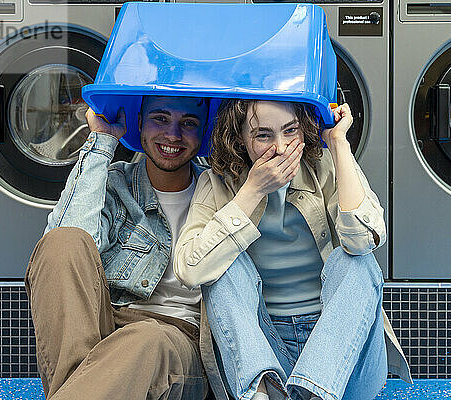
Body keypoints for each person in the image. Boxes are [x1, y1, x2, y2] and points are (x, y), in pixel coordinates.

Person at [174, 100, 411, 400]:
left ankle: (317, 391)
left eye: (290, 131)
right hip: (266, 353)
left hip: (343, 351)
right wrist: (253, 190)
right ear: (239, 138)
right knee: (222, 266)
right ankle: (259, 395)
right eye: (263, 136)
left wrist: (338, 144)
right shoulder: (218, 182)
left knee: (356, 263)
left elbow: (364, 239)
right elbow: (191, 270)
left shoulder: (326, 165)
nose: (281, 147)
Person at [24, 96, 219, 400]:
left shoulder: (225, 190)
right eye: (161, 119)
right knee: (63, 242)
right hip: (106, 325)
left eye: (189, 123)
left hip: (178, 339)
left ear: (205, 129)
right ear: (139, 121)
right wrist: (102, 141)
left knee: (145, 338)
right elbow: (69, 244)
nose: (173, 135)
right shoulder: (117, 184)